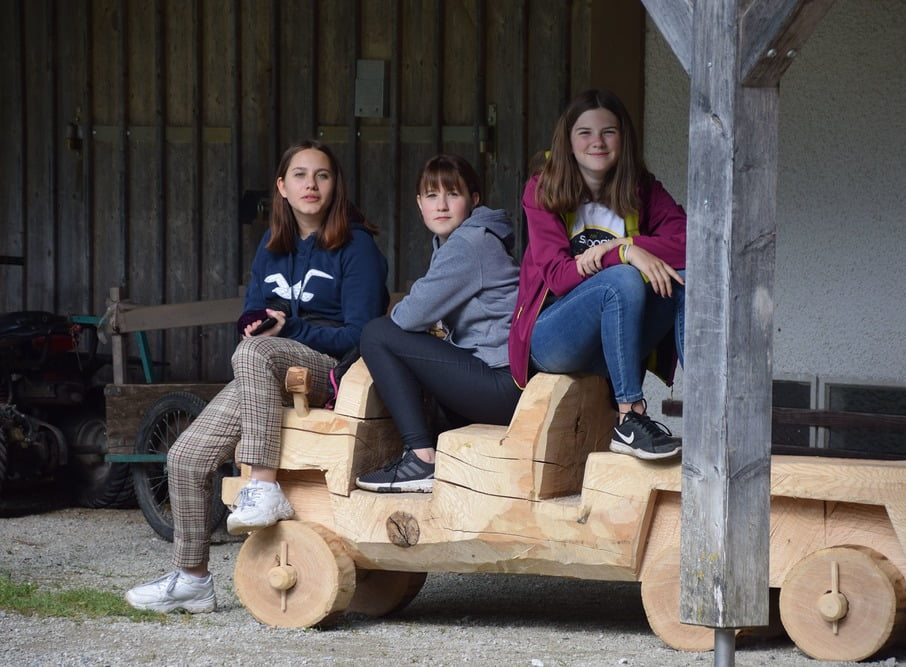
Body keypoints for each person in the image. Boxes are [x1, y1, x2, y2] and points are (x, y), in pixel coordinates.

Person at [125, 140, 388, 612]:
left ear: (336, 186)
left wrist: (289, 330)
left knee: (255, 351)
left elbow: (362, 334)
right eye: (300, 175)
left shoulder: (357, 247)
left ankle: (262, 486)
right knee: (185, 457)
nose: (311, 184)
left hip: (333, 370)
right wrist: (254, 323)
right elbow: (252, 311)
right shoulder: (271, 249)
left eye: (323, 175)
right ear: (282, 187)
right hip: (268, 365)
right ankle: (192, 579)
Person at [508, 89, 686, 461]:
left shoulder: (642, 188)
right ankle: (630, 418)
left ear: (623, 138)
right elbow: (559, 276)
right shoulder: (543, 189)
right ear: (568, 141)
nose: (597, 142)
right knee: (622, 280)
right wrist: (623, 255)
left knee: (683, 278)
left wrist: (626, 243)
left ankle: (708, 408)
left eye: (609, 132)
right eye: (585, 132)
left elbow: (693, 244)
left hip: (615, 342)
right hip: (553, 337)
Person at [355, 154, 521, 492]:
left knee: (377, 334)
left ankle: (421, 458)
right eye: (432, 195)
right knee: (405, 342)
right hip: (496, 379)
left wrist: (413, 311)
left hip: (503, 384)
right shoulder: (455, 242)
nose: (441, 205)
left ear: (474, 200)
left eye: (453, 194)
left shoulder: (470, 243)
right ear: (420, 204)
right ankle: (427, 453)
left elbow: (408, 316)